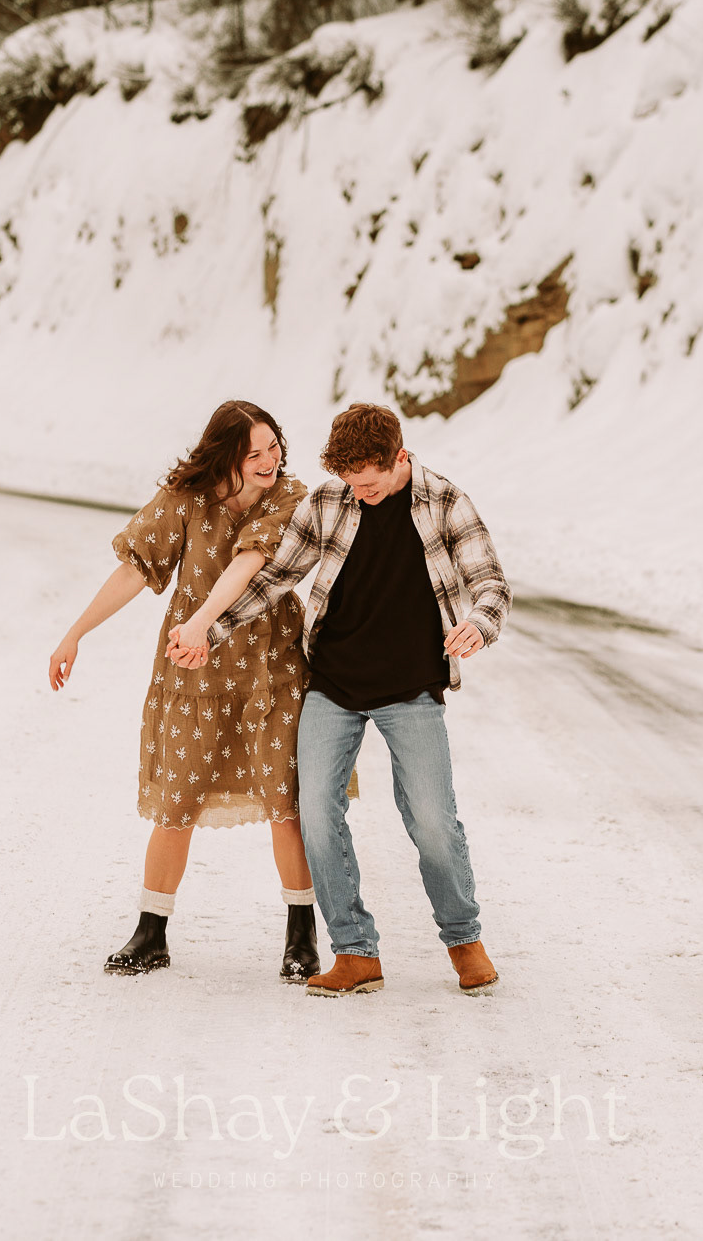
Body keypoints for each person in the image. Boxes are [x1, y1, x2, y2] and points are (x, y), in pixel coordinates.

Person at [169, 401, 511, 998]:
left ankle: (464, 941)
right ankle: (354, 952)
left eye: (369, 483)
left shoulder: (445, 502)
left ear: (399, 458)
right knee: (318, 816)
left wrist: (479, 624)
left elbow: (491, 584)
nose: (359, 493)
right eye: (350, 482)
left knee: (432, 820)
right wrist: (211, 629)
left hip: (412, 687)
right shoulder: (329, 502)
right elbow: (275, 579)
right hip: (332, 685)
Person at [48, 400, 320, 983]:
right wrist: (76, 633)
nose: (269, 461)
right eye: (253, 453)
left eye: (274, 447)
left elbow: (250, 561)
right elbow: (135, 568)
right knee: (176, 801)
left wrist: (200, 622)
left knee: (285, 803)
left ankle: (302, 936)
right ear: (225, 457)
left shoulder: (289, 497)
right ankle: (151, 932)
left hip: (270, 668)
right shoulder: (185, 499)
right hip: (194, 673)